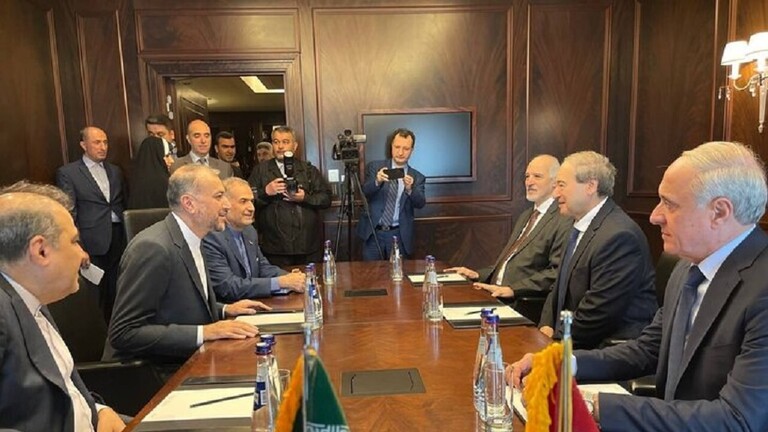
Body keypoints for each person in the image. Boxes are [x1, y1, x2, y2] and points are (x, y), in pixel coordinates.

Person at [510, 141, 768, 431]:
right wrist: (559, 363)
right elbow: (647, 349)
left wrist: (594, 407)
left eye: (670, 204)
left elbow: (737, 420)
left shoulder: (762, 289)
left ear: (719, 212)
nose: (655, 216)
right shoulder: (688, 268)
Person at [106, 165, 269, 376]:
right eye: (219, 196)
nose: (227, 205)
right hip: (157, 373)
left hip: (194, 361)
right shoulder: (154, 248)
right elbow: (124, 332)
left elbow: (173, 305)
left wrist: (224, 309)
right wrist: (205, 332)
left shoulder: (194, 239)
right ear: (189, 204)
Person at [0, 182, 124, 431]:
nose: (82, 254)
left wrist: (98, 410)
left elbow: (62, 387)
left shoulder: (33, 297)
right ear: (41, 251)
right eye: (75, 241)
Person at [538, 151, 657, 349]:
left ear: (590, 186)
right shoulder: (575, 225)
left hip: (607, 349)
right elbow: (558, 287)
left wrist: (553, 344)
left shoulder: (619, 236)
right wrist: (546, 326)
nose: (555, 193)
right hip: (573, 339)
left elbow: (598, 314)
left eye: (561, 185)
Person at [446, 155, 571, 303]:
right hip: (494, 293)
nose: (529, 182)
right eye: (527, 176)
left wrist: (513, 290)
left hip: (521, 301)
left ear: (555, 182)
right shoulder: (526, 215)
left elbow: (556, 272)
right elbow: (508, 264)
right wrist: (477, 275)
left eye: (537, 176)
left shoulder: (563, 218)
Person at [56, 126, 126, 324]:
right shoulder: (69, 173)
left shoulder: (115, 171)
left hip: (119, 236)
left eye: (105, 142)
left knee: (118, 288)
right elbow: (69, 212)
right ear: (83, 145)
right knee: (95, 293)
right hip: (91, 240)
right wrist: (77, 245)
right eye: (97, 142)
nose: (103, 147)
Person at [202, 178, 306, 301]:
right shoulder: (212, 237)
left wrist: (291, 278)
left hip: (255, 303)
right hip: (232, 308)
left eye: (251, 201)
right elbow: (227, 287)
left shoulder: (249, 231)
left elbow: (263, 268)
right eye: (243, 201)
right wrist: (280, 282)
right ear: (225, 204)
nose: (251, 208)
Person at [248, 126, 332, 266]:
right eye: (276, 142)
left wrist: (304, 198)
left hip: (307, 246)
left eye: (285, 142)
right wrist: (266, 192)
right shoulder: (260, 171)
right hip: (275, 248)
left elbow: (326, 199)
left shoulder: (308, 170)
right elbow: (247, 202)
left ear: (295, 146)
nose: (280, 146)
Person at [356, 128, 426, 260]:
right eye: (397, 147)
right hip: (373, 232)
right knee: (370, 271)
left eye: (406, 148)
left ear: (412, 150)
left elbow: (420, 203)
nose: (400, 152)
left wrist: (409, 189)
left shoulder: (417, 176)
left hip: (399, 234)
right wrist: (377, 181)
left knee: (398, 271)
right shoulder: (375, 167)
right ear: (391, 147)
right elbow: (365, 191)